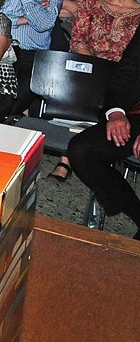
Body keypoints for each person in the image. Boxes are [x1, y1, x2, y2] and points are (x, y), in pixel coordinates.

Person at [44, 0, 140, 182]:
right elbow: (78, 40)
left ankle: (83, 157)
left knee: (118, 92)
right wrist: (98, 68)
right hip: (90, 71)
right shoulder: (91, 5)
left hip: (125, 80)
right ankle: (67, 157)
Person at [65, 23, 140, 239]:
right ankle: (136, 212)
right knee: (82, 150)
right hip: (134, 113)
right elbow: (129, 69)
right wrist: (116, 112)